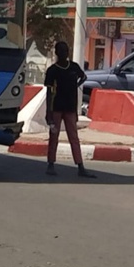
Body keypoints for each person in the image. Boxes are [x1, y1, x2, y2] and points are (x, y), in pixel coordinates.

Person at [44, 40, 96, 178]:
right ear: (56, 53)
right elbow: (48, 93)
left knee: (74, 137)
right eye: (61, 51)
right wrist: (48, 112)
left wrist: (76, 86)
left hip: (70, 108)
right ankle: (51, 163)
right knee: (53, 136)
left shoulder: (74, 67)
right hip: (56, 107)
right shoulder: (52, 71)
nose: (64, 53)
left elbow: (83, 77)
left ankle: (80, 166)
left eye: (65, 51)